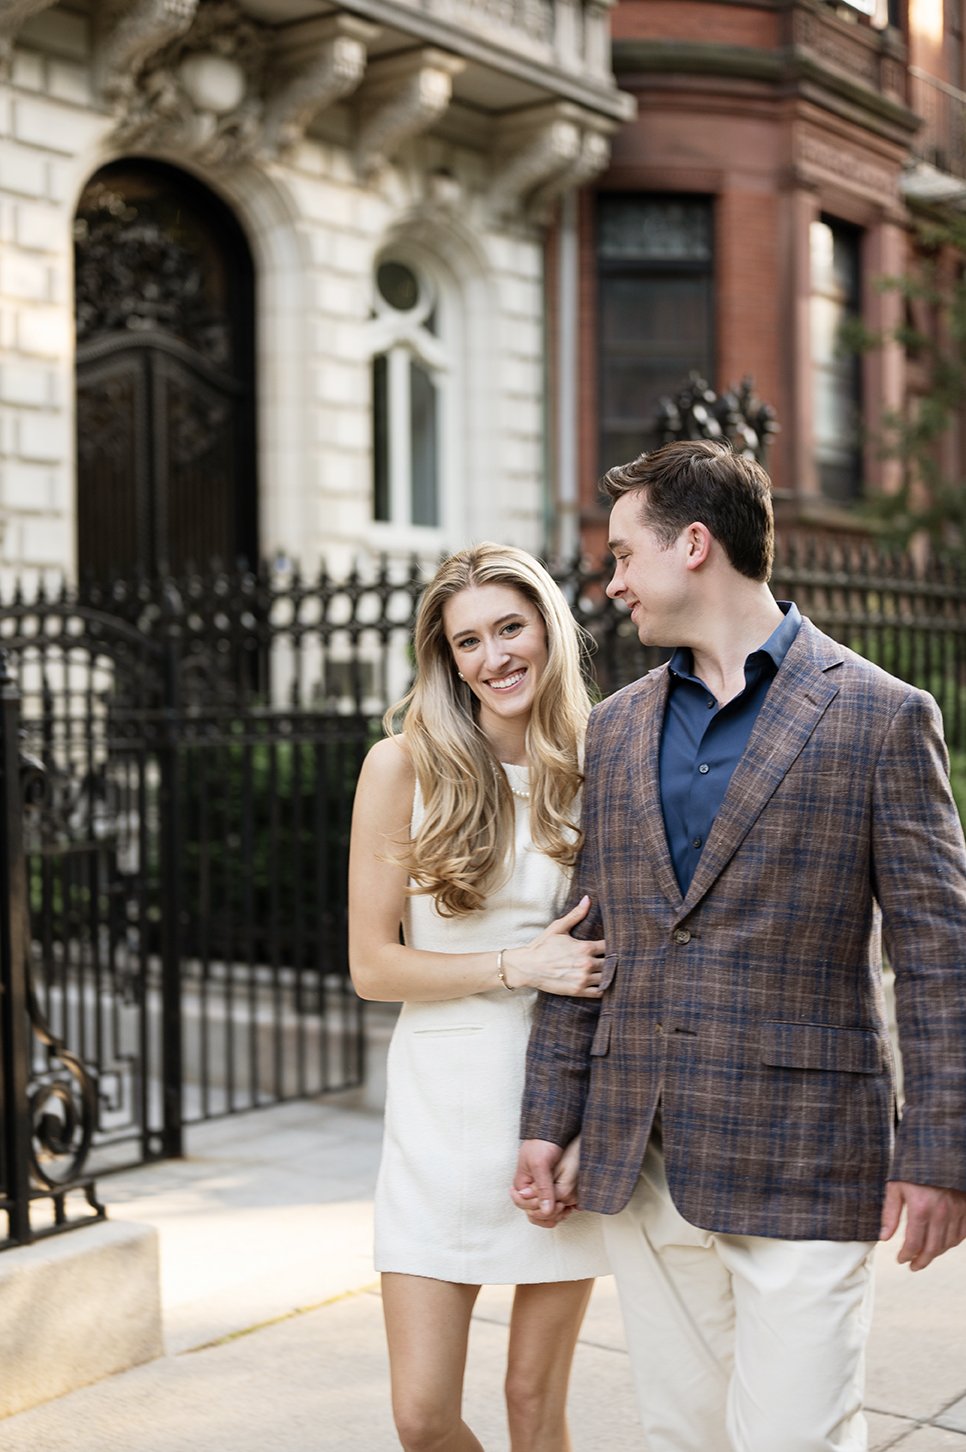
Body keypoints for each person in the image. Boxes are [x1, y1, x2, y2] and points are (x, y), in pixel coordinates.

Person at [513, 439, 966, 1452]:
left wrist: (941, 1154)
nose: (613, 581)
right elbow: (588, 933)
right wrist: (549, 1116)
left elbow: (940, 960)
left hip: (805, 1155)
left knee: (798, 1439)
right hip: (649, 1152)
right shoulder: (618, 728)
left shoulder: (882, 716)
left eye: (626, 554)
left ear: (696, 546)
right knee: (683, 1435)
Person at [348, 542, 610, 1452]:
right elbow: (374, 967)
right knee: (422, 1417)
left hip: (555, 1110)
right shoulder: (402, 768)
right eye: (468, 641)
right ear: (444, 657)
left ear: (547, 629)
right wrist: (514, 966)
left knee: (535, 1407)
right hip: (439, 1115)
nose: (494, 657)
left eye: (510, 627)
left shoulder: (604, 759)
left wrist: (594, 1133)